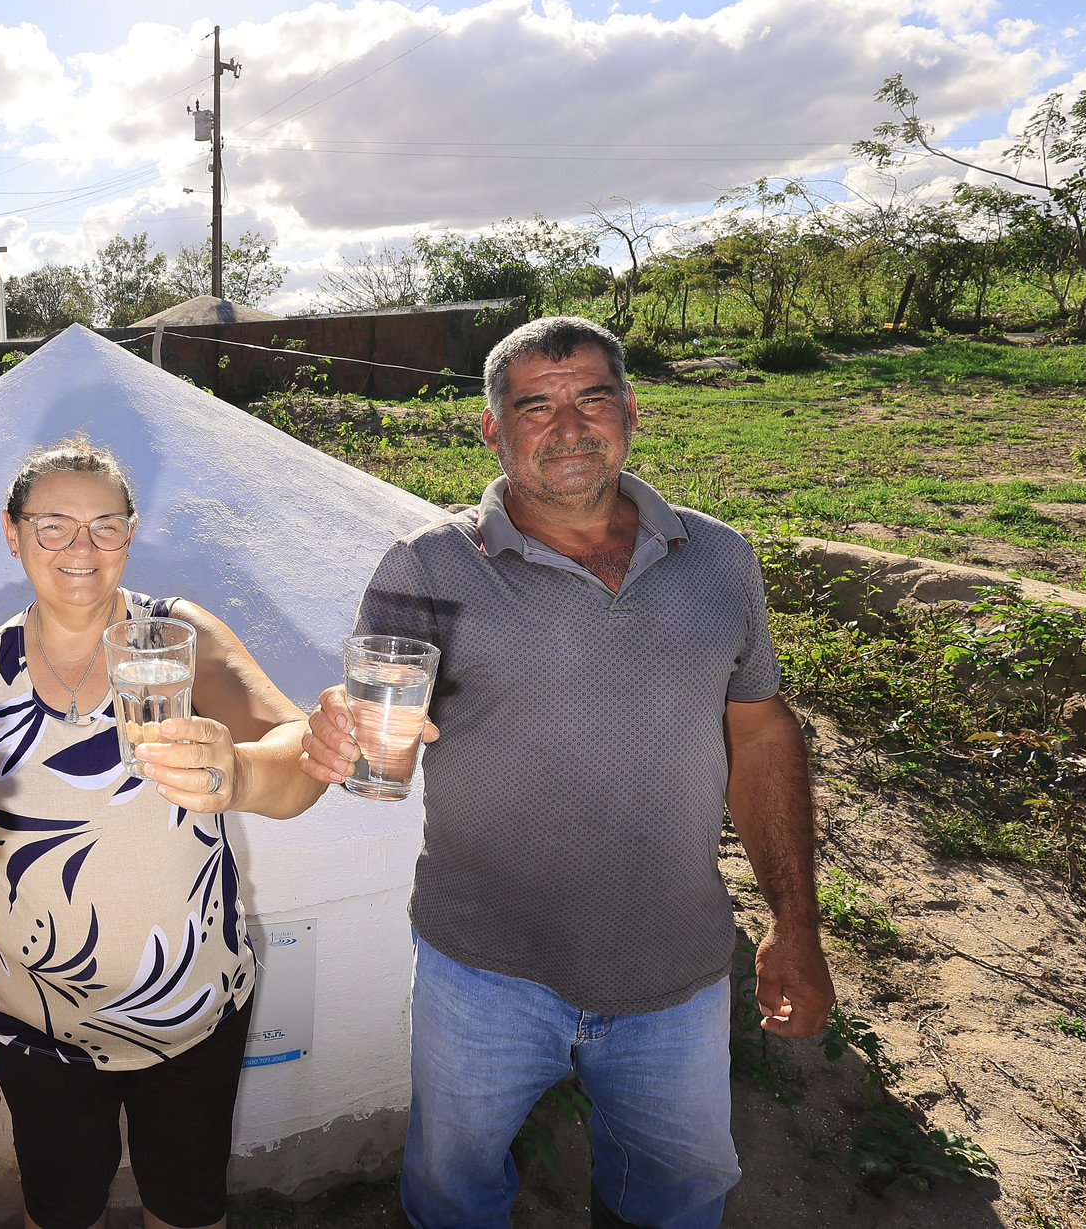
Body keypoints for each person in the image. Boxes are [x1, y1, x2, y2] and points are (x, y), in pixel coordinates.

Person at [300, 317, 835, 1229]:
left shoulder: (719, 557)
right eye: (535, 405)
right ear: (492, 430)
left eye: (591, 397)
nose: (569, 425)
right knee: (455, 1193)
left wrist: (797, 921)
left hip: (677, 969)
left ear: (631, 410)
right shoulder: (426, 567)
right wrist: (338, 736)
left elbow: (763, 737)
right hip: (485, 970)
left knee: (674, 1195)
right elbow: (370, 734)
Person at [0, 435, 328, 1229]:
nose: (82, 547)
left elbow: (298, 754)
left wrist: (238, 771)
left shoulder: (179, 641)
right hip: (35, 1025)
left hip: (194, 1011)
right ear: (12, 531)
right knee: (60, 1214)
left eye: (105, 526)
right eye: (54, 525)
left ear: (131, 535)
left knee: (188, 1212)